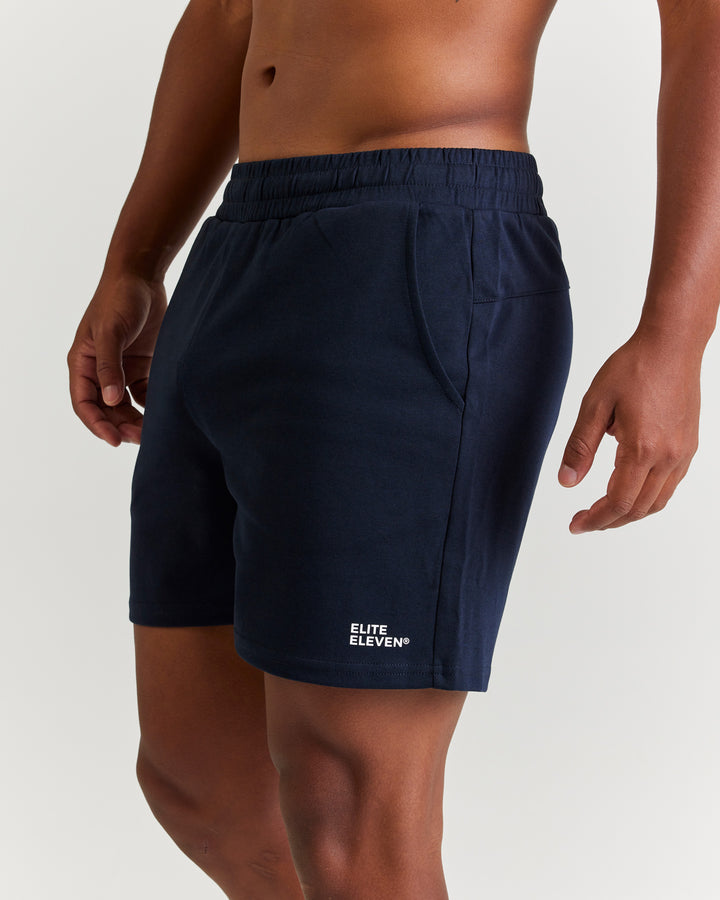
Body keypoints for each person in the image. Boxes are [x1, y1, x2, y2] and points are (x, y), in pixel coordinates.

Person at [66, 0, 718, 897]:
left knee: (349, 799)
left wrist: (676, 335)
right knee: (201, 780)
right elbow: (226, 13)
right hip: (240, 238)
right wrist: (135, 259)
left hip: (419, 235)